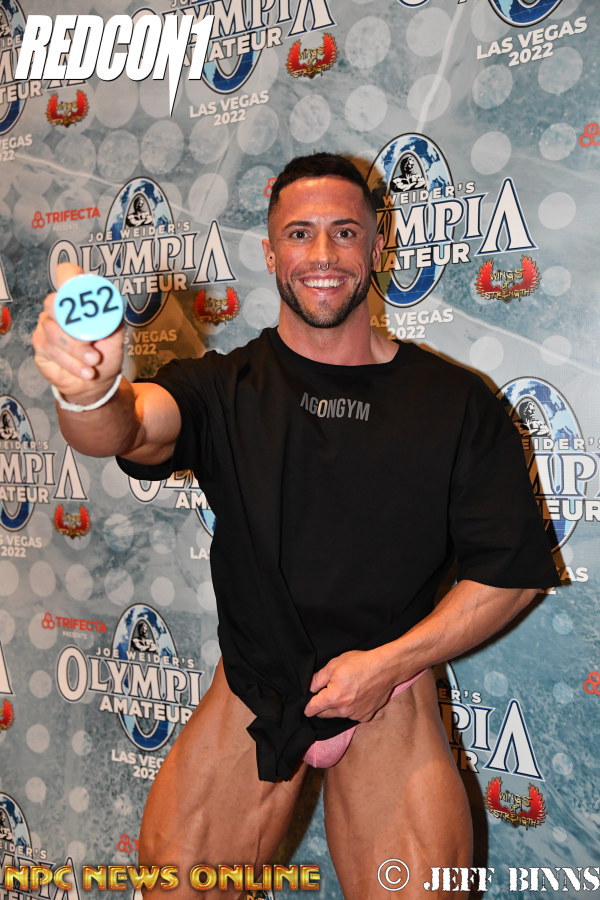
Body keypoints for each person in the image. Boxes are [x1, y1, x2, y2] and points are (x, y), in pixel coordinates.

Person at [33, 153, 558, 899]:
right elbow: (132, 428)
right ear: (271, 251)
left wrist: (388, 665)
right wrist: (88, 392)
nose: (322, 254)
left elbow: (512, 574)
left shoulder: (456, 403)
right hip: (254, 689)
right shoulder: (223, 387)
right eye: (300, 233)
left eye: (345, 232)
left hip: (391, 694)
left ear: (378, 246)